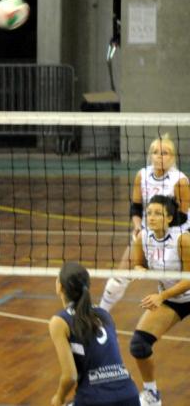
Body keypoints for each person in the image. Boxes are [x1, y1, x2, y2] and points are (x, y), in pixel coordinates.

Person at [100, 134, 190, 311]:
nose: (159, 156)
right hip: (149, 233)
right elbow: (136, 207)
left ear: (173, 157)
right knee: (120, 276)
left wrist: (158, 229)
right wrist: (137, 226)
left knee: (181, 282)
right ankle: (100, 314)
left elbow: (183, 215)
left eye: (165, 153)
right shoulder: (142, 175)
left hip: (178, 234)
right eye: (155, 152)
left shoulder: (180, 180)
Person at [127, 195, 190, 406]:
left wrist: (161, 296)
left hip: (172, 294)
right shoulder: (143, 237)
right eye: (148, 213)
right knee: (139, 345)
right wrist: (139, 270)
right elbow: (139, 263)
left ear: (169, 218)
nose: (151, 217)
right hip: (173, 300)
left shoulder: (182, 239)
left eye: (157, 213)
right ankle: (152, 394)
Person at [49, 261, 140, 406]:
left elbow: (70, 376)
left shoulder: (59, 322)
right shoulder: (104, 314)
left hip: (94, 399)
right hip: (130, 395)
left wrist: (58, 398)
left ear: (60, 286)